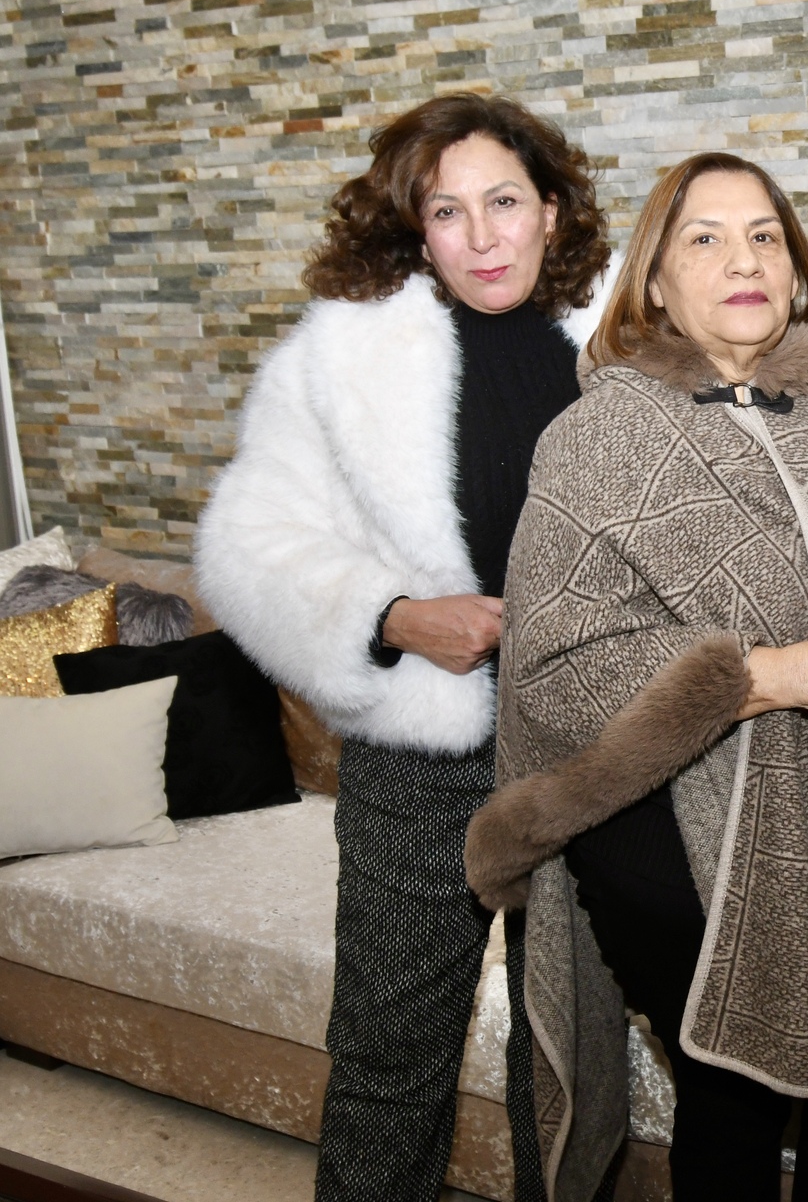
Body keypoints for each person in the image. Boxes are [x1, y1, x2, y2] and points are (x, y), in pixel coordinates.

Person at [462, 152, 808, 1202]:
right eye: (705, 239)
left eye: (765, 236)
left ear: (797, 269)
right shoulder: (596, 439)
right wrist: (769, 675)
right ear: (657, 282)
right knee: (732, 1095)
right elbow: (555, 667)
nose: (744, 260)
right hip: (661, 824)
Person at [195, 93, 611, 1202]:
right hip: (420, 755)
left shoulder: (630, 341)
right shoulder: (339, 358)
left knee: (566, 1062)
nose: (482, 238)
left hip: (593, 750)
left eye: (505, 203)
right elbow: (249, 540)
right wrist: (388, 613)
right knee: (387, 1056)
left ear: (553, 210)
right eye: (447, 211)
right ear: (415, 231)